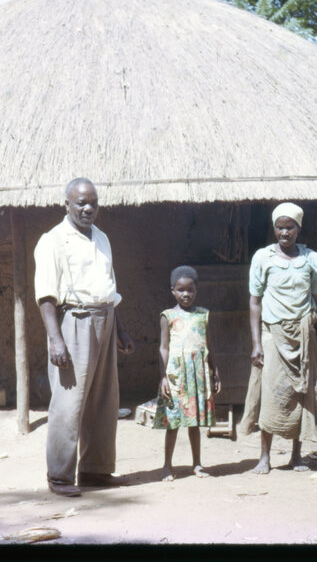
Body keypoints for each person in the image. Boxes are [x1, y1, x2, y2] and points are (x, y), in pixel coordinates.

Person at [34, 177, 135, 497]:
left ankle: (95, 471)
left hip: (105, 319)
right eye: (81, 203)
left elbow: (109, 288)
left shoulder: (102, 238)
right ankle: (60, 477)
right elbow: (46, 295)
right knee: (69, 402)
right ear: (67, 204)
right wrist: (55, 339)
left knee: (104, 400)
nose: (88, 208)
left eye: (93, 203)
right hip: (73, 322)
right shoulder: (53, 240)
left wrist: (119, 329)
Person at [245, 202, 317, 474]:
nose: (285, 233)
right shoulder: (263, 258)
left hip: (305, 334)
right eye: (280, 228)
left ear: (299, 228)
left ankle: (297, 455)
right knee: (271, 393)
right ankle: (264, 457)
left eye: (290, 227)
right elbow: (255, 302)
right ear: (274, 229)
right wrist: (257, 343)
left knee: (300, 392)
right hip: (273, 334)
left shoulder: (311, 259)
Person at [153, 265, 221, 482]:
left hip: (197, 374)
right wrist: (163, 376)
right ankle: (166, 466)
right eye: (181, 290)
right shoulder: (168, 316)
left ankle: (197, 463)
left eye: (190, 290)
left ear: (196, 290)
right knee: (173, 423)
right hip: (175, 375)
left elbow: (208, 345)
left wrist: (215, 370)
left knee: (195, 422)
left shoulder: (203, 315)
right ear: (172, 290)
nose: (186, 294)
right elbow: (163, 347)